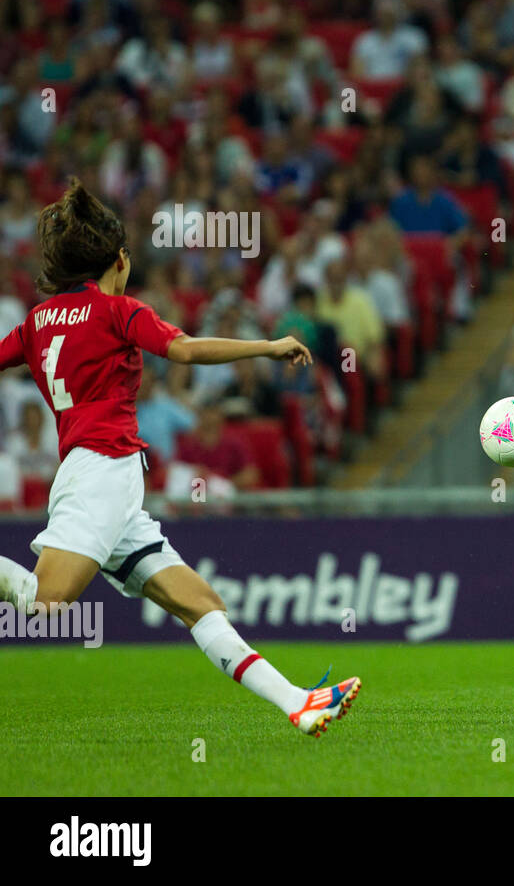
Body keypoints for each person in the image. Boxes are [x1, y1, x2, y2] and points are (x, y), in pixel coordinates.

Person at [0, 180, 359, 739]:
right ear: (118, 259)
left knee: (200, 602)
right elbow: (186, 349)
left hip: (108, 483)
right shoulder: (119, 311)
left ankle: (298, 702)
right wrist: (266, 346)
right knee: (44, 605)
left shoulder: (35, 323)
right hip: (100, 473)